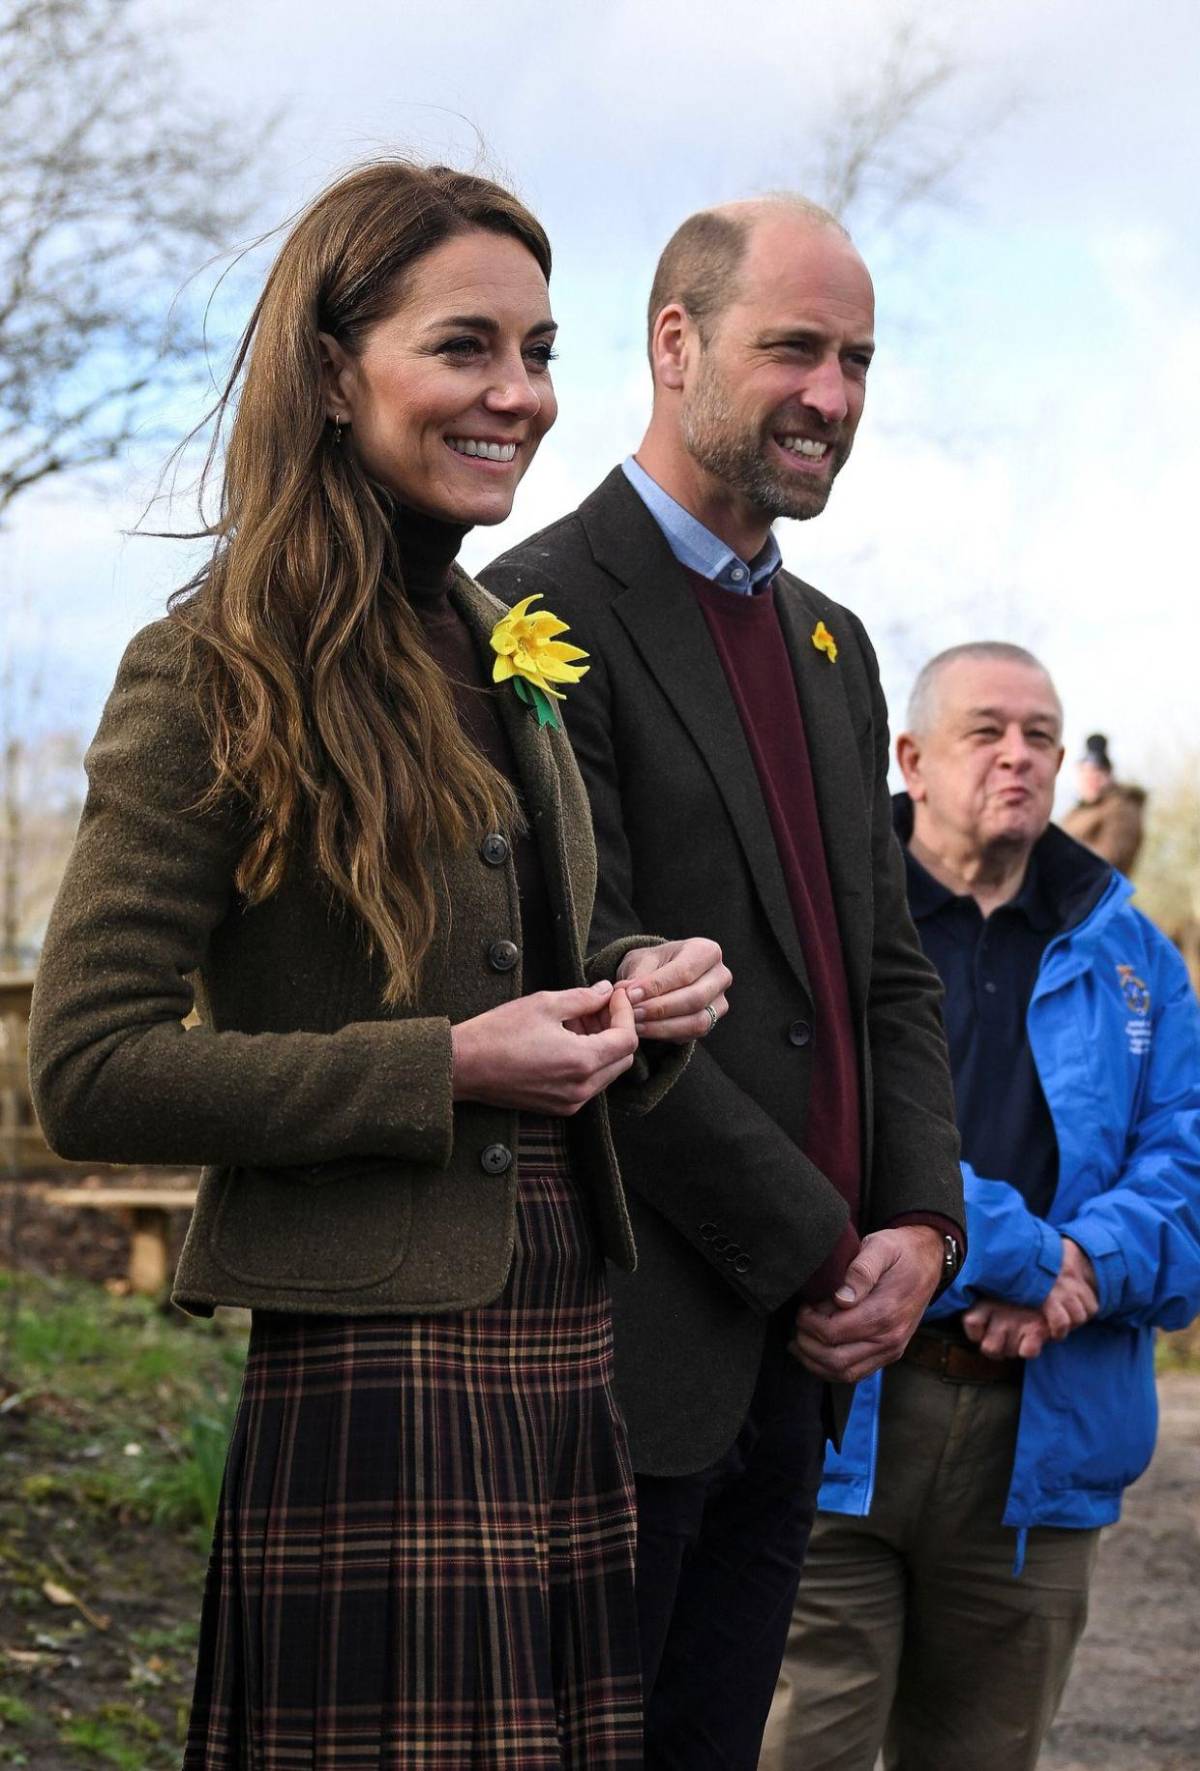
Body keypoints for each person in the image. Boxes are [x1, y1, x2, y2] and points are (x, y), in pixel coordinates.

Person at [27, 160, 732, 1771]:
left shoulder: (503, 641)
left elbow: (515, 948)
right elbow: (89, 1064)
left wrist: (639, 983)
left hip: (560, 1322)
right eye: (467, 346)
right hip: (379, 1363)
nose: (520, 394)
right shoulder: (212, 665)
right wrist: (449, 1064)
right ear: (336, 370)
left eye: (542, 351)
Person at [481, 195, 965, 1770]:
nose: (833, 394)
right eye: (796, 348)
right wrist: (827, 1249)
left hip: (797, 1367)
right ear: (676, 342)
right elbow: (587, 981)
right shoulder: (534, 615)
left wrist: (921, 1220)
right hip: (630, 1349)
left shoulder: (833, 644)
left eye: (859, 360)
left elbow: (888, 972)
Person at [766, 642, 1200, 1771]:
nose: (1021, 755)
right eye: (987, 731)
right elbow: (815, 1136)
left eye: (1043, 734)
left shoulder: (1136, 958)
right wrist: (1016, 1253)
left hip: (1042, 1437)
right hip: (840, 1411)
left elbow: (1186, 1169)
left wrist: (1087, 1270)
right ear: (908, 756)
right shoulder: (824, 924)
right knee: (790, 1745)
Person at [1061, 730, 1146, 874]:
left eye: (1097, 773)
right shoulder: (1076, 812)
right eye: (1085, 773)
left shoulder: (1121, 808)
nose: (1091, 780)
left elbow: (1109, 858)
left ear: (1109, 775)